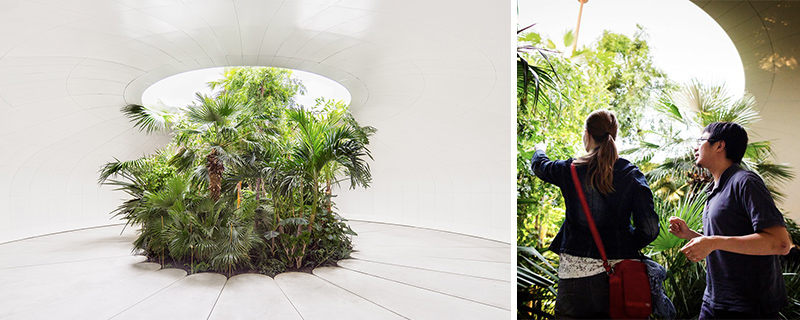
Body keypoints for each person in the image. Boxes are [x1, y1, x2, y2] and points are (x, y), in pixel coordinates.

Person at [531, 109, 660, 318]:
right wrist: (624, 245)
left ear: (587, 134)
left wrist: (540, 149)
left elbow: (540, 166)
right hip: (619, 279)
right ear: (614, 137)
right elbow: (650, 229)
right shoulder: (631, 174)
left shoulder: (570, 169)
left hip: (574, 278)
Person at [669, 122, 793, 319]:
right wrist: (691, 235)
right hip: (714, 301)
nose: (695, 147)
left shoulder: (746, 182)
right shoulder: (714, 190)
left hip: (748, 307)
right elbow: (727, 242)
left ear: (720, 145)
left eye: (701, 140)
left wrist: (713, 241)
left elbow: (781, 243)